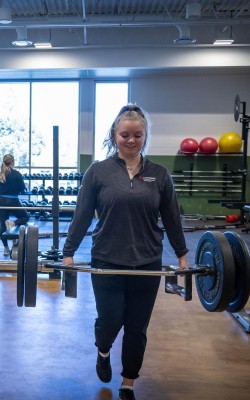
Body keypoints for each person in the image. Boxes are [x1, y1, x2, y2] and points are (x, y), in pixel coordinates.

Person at [62, 104, 189, 400]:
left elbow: (172, 218)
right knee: (110, 320)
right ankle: (103, 350)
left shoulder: (159, 175)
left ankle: (128, 383)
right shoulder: (98, 172)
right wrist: (68, 252)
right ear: (114, 135)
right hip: (106, 258)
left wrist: (182, 256)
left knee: (137, 327)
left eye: (137, 135)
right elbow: (81, 215)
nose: (131, 140)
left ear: (145, 136)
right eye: (125, 135)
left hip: (147, 263)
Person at [0, 154, 29, 256]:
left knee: (2, 224)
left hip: (1, 201)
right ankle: (13, 223)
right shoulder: (16, 174)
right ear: (12, 161)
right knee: (25, 216)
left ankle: (6, 249)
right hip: (13, 201)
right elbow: (22, 189)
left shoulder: (1, 173)